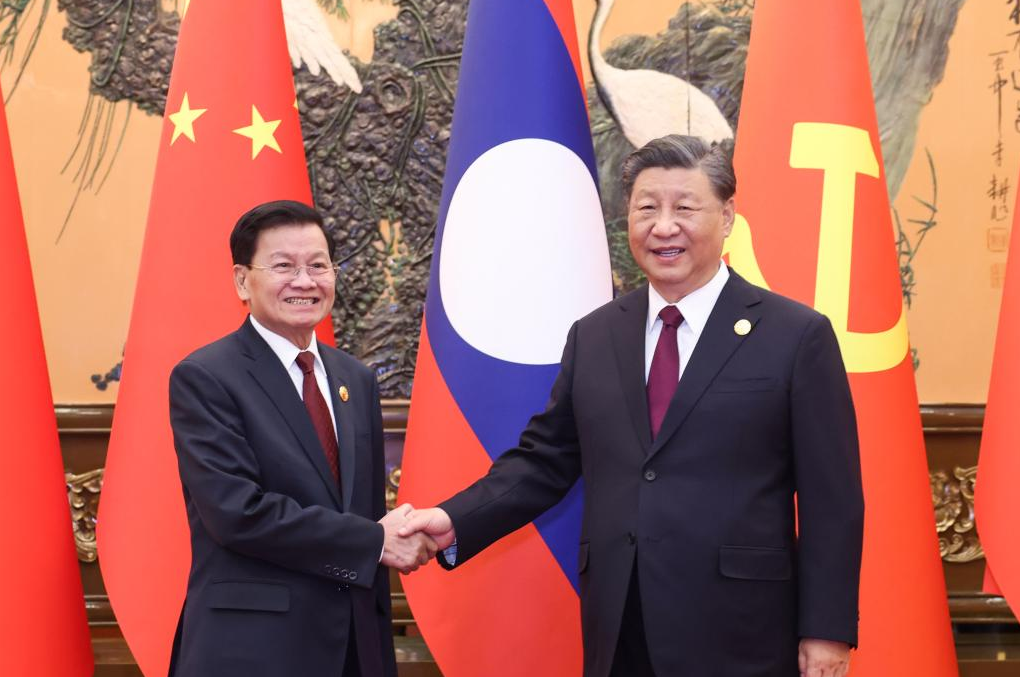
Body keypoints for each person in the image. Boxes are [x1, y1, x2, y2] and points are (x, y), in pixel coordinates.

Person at [402, 136, 865, 677]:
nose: (663, 227)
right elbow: (543, 461)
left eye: (684, 208)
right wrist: (451, 520)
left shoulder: (795, 335)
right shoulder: (596, 335)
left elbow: (832, 499)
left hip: (743, 632)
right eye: (647, 208)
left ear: (727, 216)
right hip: (621, 625)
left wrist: (826, 630)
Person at [167, 200, 436, 677]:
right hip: (253, 652)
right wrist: (375, 540)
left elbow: (362, 510)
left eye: (318, 265)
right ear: (242, 281)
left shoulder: (355, 379)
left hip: (353, 648)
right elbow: (237, 513)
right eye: (283, 266)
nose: (305, 281)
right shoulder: (206, 377)